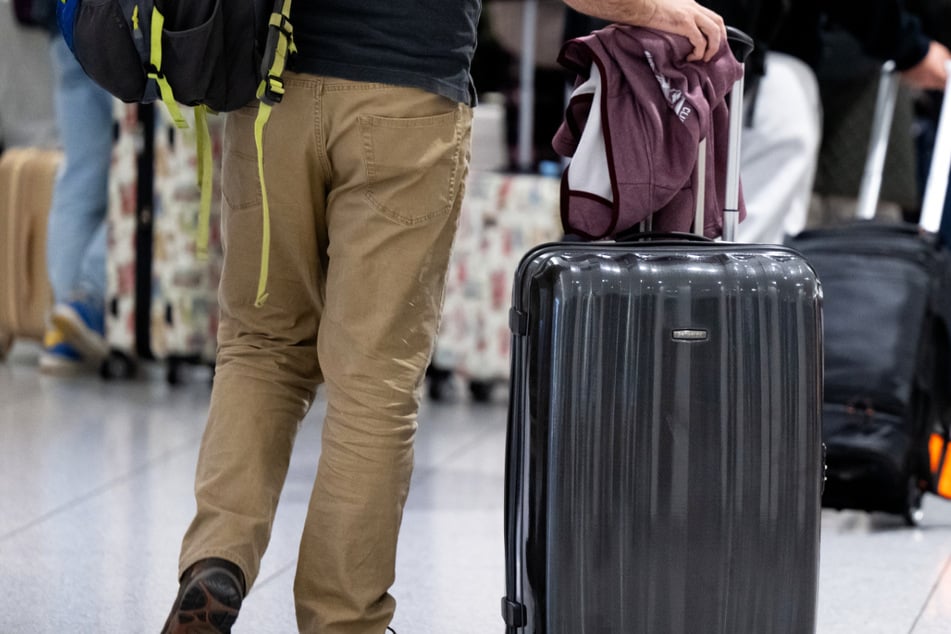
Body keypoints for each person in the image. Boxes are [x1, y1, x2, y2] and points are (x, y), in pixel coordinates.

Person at [159, 1, 726, 633]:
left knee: (262, 348)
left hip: (271, 91)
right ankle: (344, 621)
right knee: (373, 384)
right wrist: (658, 10)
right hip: (407, 101)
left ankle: (217, 560)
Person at [698, 0, 951, 244]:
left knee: (739, 233)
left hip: (719, 64)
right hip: (760, 65)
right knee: (751, 240)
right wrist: (911, 47)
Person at [41, 27, 112, 373]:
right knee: (151, 171)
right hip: (125, 22)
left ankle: (65, 329)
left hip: (61, 19)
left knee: (81, 174)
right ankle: (89, 300)